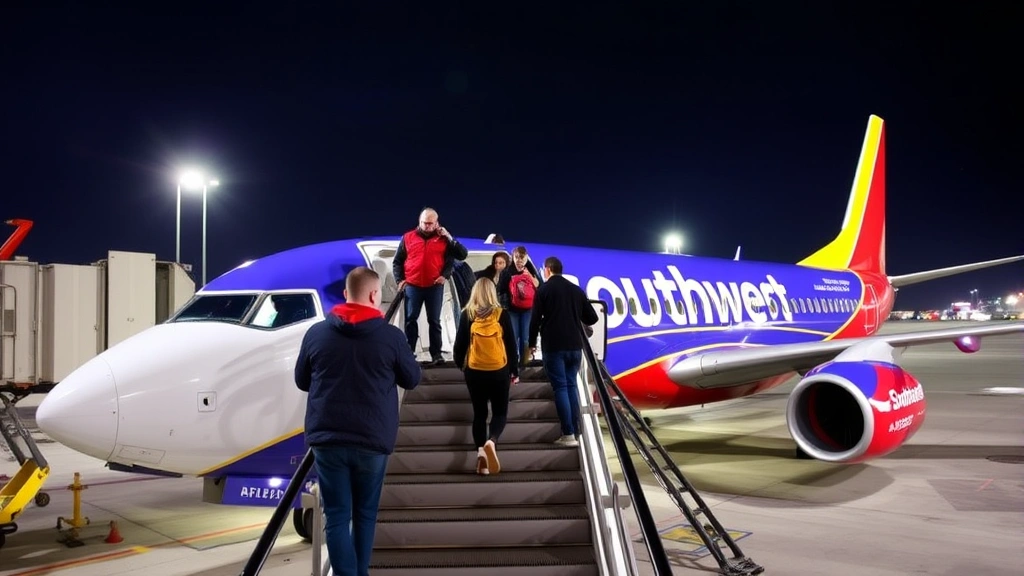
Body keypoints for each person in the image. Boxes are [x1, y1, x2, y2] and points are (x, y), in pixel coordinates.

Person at [294, 266, 422, 576]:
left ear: (345, 294)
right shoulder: (391, 337)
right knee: (365, 515)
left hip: (329, 439)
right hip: (372, 439)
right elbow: (413, 378)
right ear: (375, 294)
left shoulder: (317, 333)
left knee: (336, 516)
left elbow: (302, 380)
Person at [527, 256, 598, 447]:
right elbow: (592, 318)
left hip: (554, 346)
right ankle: (577, 431)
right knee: (571, 386)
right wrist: (574, 314)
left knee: (560, 388)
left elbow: (534, 321)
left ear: (547, 270)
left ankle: (568, 434)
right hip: (575, 346)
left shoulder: (544, 290)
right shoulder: (576, 290)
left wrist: (531, 344)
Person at [452, 278, 519, 475]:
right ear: (492, 292)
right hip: (499, 370)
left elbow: (459, 346)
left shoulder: (467, 314)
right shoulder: (501, 314)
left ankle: (481, 453)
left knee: (479, 414)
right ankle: (492, 441)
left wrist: (462, 366)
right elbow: (511, 345)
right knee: (499, 413)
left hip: (474, 371)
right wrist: (514, 371)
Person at [392, 207, 469, 365]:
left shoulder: (443, 240)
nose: (426, 226)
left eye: (430, 223)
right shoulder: (407, 238)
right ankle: (409, 352)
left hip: (434, 286)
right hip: (413, 285)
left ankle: (436, 354)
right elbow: (397, 261)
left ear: (436, 224)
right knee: (410, 319)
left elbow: (462, 255)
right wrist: (400, 280)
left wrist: (448, 237)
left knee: (434, 321)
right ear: (419, 221)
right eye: (423, 223)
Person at [496, 246, 541, 365]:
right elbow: (500, 291)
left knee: (525, 337)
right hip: (512, 310)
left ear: (526, 258)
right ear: (513, 257)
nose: (519, 260)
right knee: (513, 337)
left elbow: (538, 286)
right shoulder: (507, 272)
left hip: (528, 309)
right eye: (517, 257)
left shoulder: (530, 269)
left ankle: (524, 363)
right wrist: (505, 307)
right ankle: (513, 363)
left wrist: (529, 276)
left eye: (522, 257)